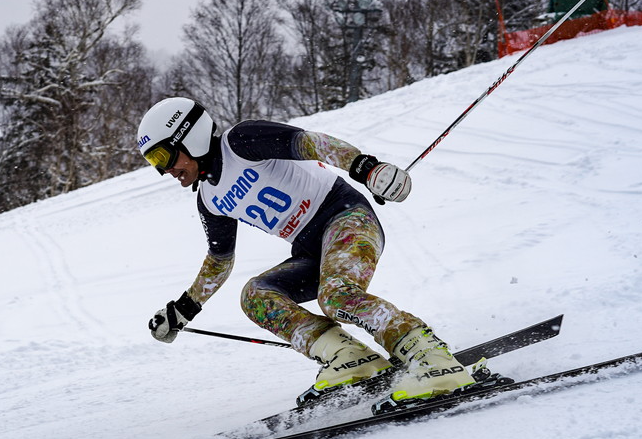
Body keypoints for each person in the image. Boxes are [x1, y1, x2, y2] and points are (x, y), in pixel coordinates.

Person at [136, 96, 482, 408]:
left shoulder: (240, 142)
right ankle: (350, 358)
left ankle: (431, 358)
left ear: (188, 136)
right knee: (256, 295)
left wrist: (366, 167)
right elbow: (219, 260)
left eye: (164, 156)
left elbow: (311, 143)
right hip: (309, 247)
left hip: (346, 216)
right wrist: (184, 308)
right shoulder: (208, 200)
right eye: (155, 162)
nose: (165, 170)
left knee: (335, 296)